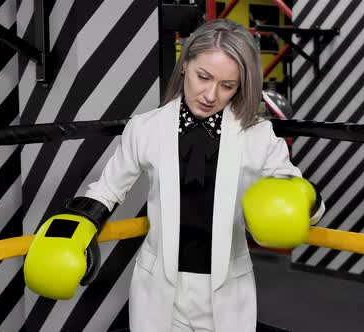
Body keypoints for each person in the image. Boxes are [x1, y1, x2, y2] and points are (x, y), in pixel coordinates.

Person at [24, 19, 324, 332]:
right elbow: (108, 189)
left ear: (241, 86)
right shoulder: (145, 128)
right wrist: (74, 228)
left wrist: (304, 201)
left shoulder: (259, 136)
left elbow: (295, 190)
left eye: (227, 86)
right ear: (185, 66)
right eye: (203, 77)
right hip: (158, 288)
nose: (210, 94)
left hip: (228, 291)